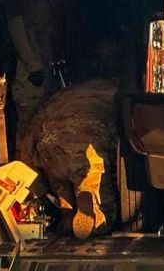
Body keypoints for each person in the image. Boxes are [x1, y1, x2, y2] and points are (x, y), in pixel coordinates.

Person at [19, 80, 119, 240]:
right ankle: (90, 201)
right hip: (82, 146)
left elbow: (29, 137)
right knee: (94, 184)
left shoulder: (61, 95)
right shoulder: (115, 94)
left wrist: (39, 186)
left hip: (48, 146)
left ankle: (67, 213)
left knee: (61, 185)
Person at [0, 0, 60, 150]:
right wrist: (33, 65)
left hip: (31, 68)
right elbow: (17, 27)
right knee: (28, 126)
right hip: (25, 73)